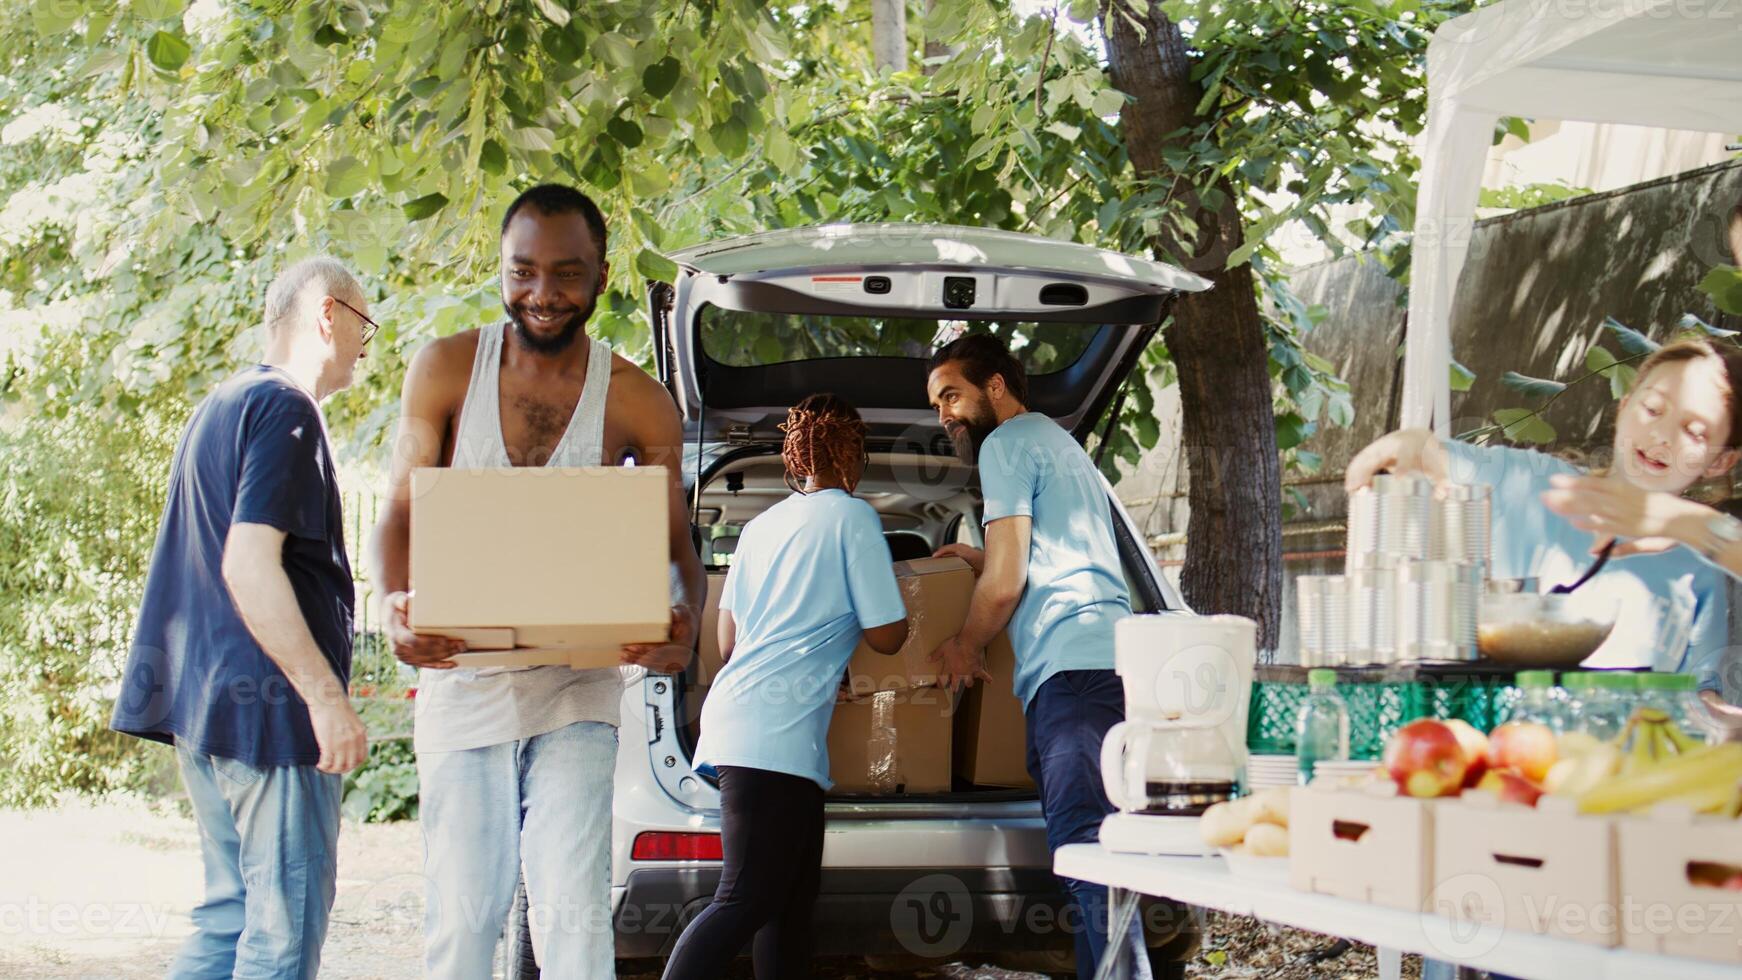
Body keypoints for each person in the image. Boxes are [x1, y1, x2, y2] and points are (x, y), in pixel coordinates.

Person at [368, 184, 706, 976]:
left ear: (602, 276)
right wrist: (391, 607)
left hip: (577, 690)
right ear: (500, 270)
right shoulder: (445, 369)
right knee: (462, 919)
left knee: (574, 917)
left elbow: (674, 546)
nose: (543, 295)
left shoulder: (639, 403)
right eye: (523, 272)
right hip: (464, 680)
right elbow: (397, 514)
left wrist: (681, 622)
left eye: (566, 274)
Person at [110, 256, 373, 979]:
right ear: (328, 316)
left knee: (229, 919)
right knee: (280, 938)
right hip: (271, 725)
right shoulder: (287, 410)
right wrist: (326, 700)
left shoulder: (221, 404)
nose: (364, 347)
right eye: (364, 327)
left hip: (207, 713)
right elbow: (248, 564)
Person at [1348, 337, 1741, 725]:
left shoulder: (1706, 566)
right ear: (1625, 406)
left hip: (1610, 771)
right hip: (1490, 758)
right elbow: (1432, 454)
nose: (1661, 437)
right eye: (1653, 408)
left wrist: (1718, 716)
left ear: (1721, 461)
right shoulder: (1529, 482)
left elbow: (1698, 695)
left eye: (1695, 432)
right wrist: (1410, 444)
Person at [925, 333, 1155, 979]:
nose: (943, 413)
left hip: (1075, 674)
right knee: (1099, 857)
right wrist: (977, 557)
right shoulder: (1060, 443)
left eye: (951, 394)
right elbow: (1038, 555)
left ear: (995, 386)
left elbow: (1006, 583)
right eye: (936, 401)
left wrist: (963, 646)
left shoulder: (1005, 443)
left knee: (1089, 856)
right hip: (1104, 663)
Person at [662, 394, 909, 980]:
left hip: (756, 725)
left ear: (795, 457)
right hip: (770, 737)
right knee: (745, 898)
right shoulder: (854, 517)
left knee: (789, 907)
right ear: (855, 453)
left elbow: (729, 643)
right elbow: (889, 635)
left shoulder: (761, 526)